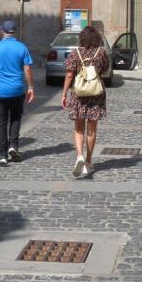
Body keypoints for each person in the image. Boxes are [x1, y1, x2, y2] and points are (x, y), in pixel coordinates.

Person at [0, 20, 35, 166]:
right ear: (14, 32)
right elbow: (27, 69)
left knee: (1, 122)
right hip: (17, 90)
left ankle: (2, 155)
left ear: (2, 31)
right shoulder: (22, 47)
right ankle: (13, 146)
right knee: (16, 118)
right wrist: (30, 87)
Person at [61, 25, 110, 178]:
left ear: (82, 38)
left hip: (79, 95)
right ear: (97, 38)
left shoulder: (75, 53)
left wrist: (64, 93)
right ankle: (88, 162)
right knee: (92, 129)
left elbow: (69, 74)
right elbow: (105, 70)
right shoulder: (101, 52)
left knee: (78, 128)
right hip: (96, 94)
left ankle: (79, 157)